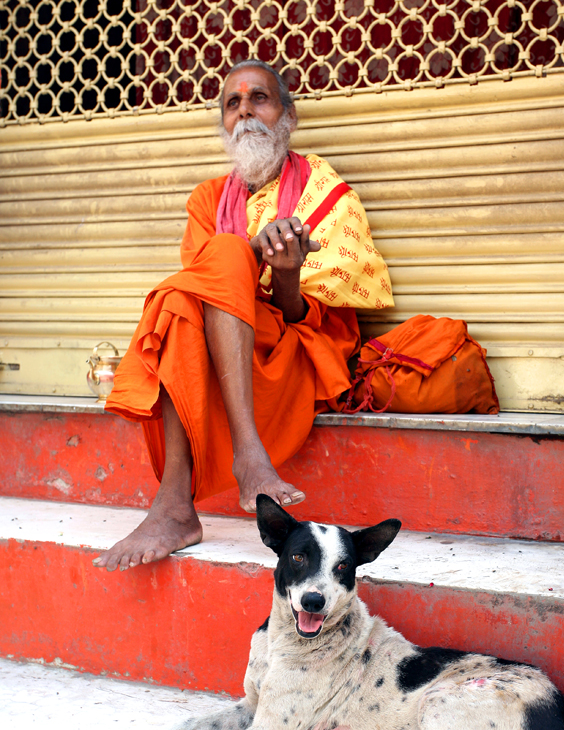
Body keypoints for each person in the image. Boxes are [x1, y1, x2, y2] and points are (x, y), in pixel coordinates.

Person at [93, 60, 394, 573]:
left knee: (207, 273)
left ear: (288, 117)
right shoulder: (207, 199)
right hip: (223, 358)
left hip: (286, 359)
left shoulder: (324, 191)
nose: (246, 112)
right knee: (193, 289)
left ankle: (187, 493)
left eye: (260, 99)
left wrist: (285, 272)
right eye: (233, 104)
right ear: (224, 124)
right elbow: (202, 298)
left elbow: (310, 321)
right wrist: (247, 255)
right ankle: (189, 495)